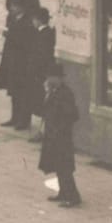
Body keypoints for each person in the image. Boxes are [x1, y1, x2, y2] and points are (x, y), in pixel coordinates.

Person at [41, 68, 82, 208]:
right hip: (53, 135)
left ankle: (73, 196)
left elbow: (72, 114)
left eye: (52, 77)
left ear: (59, 78)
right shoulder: (53, 91)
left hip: (62, 137)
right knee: (58, 166)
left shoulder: (65, 93)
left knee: (65, 168)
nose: (49, 80)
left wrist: (60, 128)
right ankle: (63, 193)